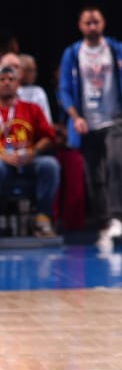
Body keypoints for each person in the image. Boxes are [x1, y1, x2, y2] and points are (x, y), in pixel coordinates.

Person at [58, 6, 122, 243]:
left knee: (116, 163)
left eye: (96, 22)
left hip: (116, 118)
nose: (92, 27)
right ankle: (104, 221)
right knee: (93, 176)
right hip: (88, 123)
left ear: (103, 23)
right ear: (80, 26)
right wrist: (76, 117)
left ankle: (117, 217)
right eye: (88, 23)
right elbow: (64, 89)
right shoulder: (73, 54)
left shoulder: (116, 50)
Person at [0, 59, 60, 237]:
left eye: (11, 79)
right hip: (4, 161)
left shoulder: (31, 109)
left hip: (28, 160)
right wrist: (3, 156)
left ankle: (42, 217)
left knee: (50, 165)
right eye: (2, 79)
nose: (7, 83)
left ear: (18, 84)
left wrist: (33, 152)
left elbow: (49, 137)